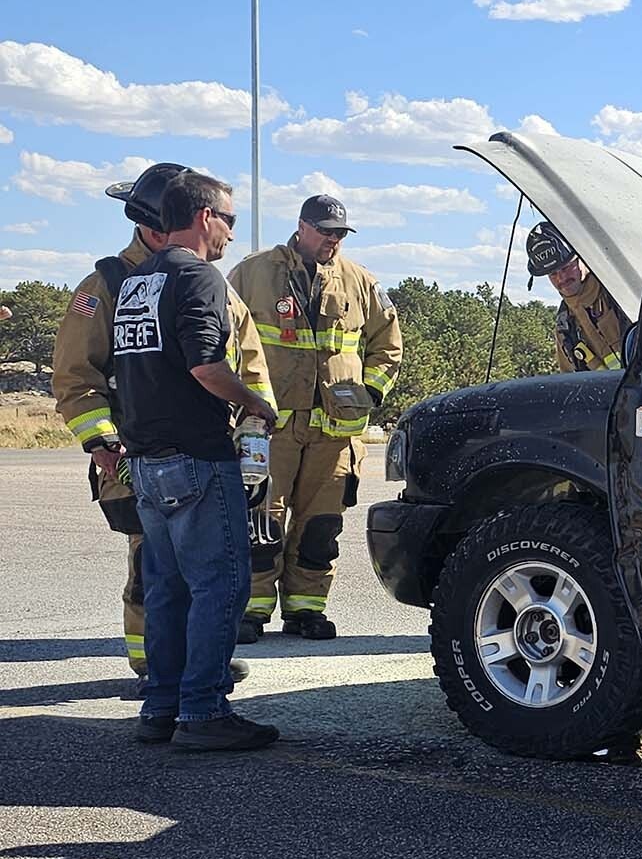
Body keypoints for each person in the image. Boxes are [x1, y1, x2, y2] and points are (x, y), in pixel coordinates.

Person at [52, 163, 269, 698]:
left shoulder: (204, 280)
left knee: (186, 573)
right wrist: (102, 441)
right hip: (141, 454)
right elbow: (76, 375)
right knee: (156, 573)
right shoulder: (107, 284)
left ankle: (185, 676)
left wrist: (254, 434)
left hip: (198, 450)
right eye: (225, 220)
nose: (231, 233)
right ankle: (162, 675)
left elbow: (249, 359)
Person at [111, 172, 279, 750]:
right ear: (205, 217)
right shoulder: (199, 276)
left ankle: (161, 707)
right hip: (197, 459)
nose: (233, 232)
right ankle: (203, 711)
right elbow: (207, 366)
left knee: (167, 587)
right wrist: (256, 403)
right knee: (223, 585)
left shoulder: (137, 281)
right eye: (229, 220)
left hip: (147, 461)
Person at [228, 195, 402, 642]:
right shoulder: (253, 273)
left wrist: (372, 391)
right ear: (302, 226)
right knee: (262, 520)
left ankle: (306, 610)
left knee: (321, 527)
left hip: (335, 434)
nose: (333, 239)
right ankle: (251, 609)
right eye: (326, 230)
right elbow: (222, 335)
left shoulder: (360, 281)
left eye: (340, 232)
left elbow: (388, 343)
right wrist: (236, 399)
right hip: (270, 430)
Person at [525, 222, 631, 372]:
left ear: (582, 257)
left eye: (566, 268)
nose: (561, 278)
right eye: (553, 274)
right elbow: (569, 379)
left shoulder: (618, 294)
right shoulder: (564, 325)